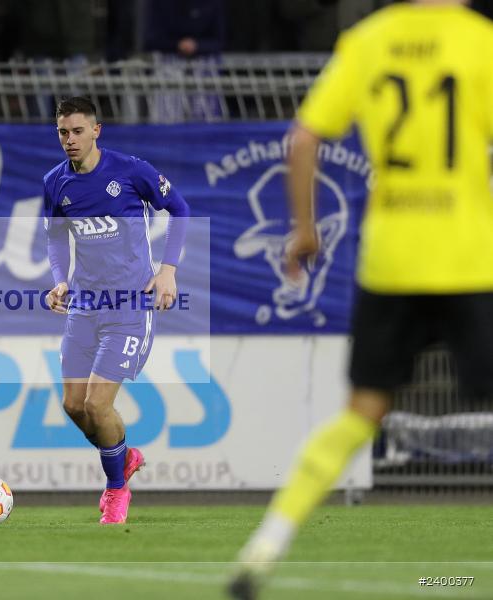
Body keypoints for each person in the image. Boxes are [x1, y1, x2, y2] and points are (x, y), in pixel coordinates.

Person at [228, 1, 493, 597]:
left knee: (361, 414)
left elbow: (303, 140)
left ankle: (262, 550)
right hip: (469, 259)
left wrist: (305, 230)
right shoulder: (481, 42)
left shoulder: (369, 40)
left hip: (391, 260)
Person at [43, 97, 190, 524]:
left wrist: (168, 271)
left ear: (96, 130)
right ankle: (122, 458)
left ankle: (115, 490)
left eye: (76, 131)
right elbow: (55, 237)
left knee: (98, 405)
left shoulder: (130, 171)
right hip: (84, 306)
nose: (69, 140)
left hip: (129, 306)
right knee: (74, 406)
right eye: (62, 133)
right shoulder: (55, 182)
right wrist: (60, 277)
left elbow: (178, 208)